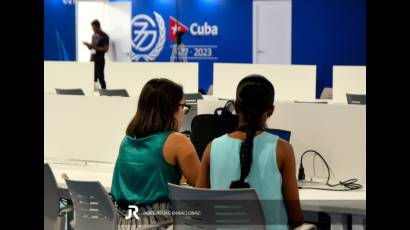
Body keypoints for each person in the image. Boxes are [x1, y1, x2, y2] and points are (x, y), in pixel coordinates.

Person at [196, 75, 304, 229]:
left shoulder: (212, 148)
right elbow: (296, 217)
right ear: (271, 110)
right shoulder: (282, 150)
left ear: (236, 107)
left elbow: (200, 208)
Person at [111, 78, 201, 229]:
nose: (184, 113)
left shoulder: (127, 141)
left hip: (122, 223)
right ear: (170, 108)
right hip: (158, 224)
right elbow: (202, 186)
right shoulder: (177, 141)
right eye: (182, 106)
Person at [83, 19, 109, 90]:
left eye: (94, 28)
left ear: (98, 27)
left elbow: (105, 49)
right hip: (92, 59)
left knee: (100, 76)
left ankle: (104, 92)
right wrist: (88, 46)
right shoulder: (93, 36)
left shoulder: (104, 36)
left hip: (100, 60)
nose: (93, 29)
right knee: (92, 77)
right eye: (92, 28)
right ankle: (94, 92)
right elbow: (92, 48)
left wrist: (92, 46)